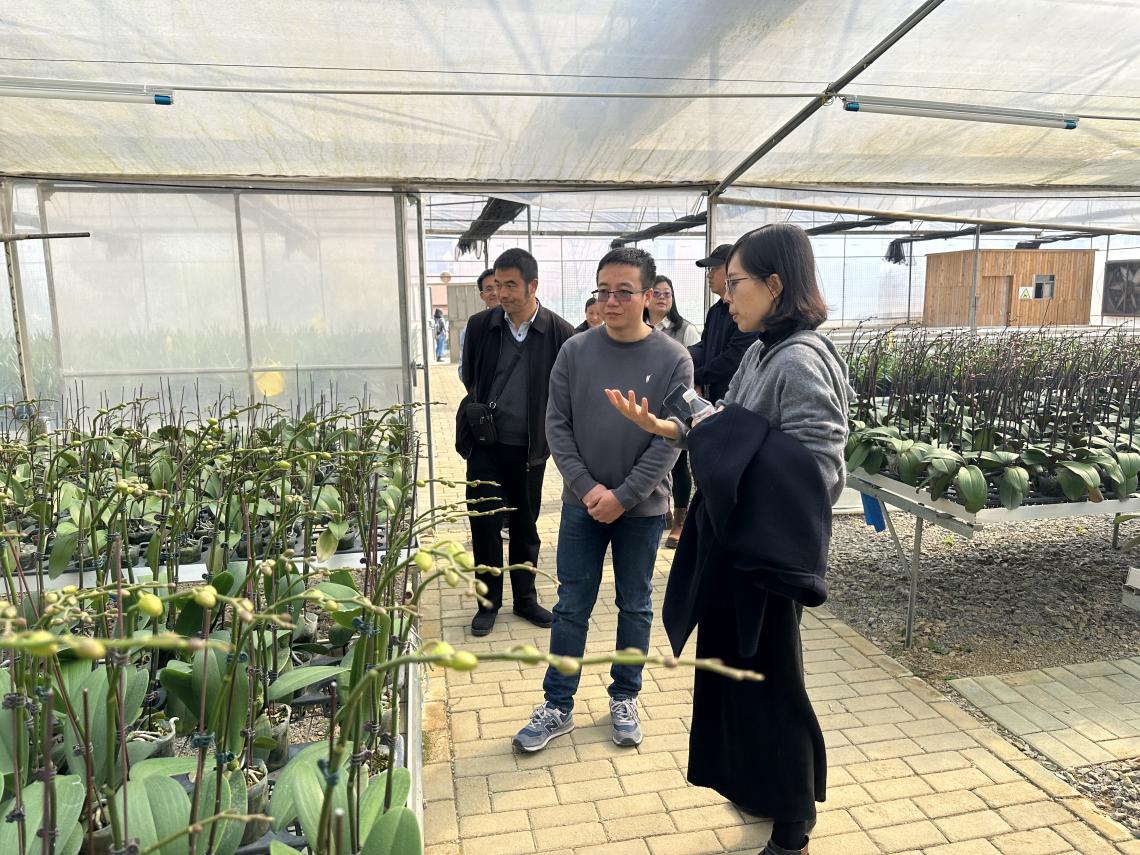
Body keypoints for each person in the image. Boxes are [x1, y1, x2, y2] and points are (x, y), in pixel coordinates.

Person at [604, 224, 853, 855]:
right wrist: (673, 427)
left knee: (773, 686)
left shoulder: (798, 359)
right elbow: (730, 429)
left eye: (735, 282)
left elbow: (820, 469)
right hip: (739, 546)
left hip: (766, 556)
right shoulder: (763, 351)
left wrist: (729, 448)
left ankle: (793, 824)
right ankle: (763, 790)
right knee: (740, 678)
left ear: (775, 284)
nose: (725, 294)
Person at [512, 247, 693, 754]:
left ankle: (625, 696)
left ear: (649, 296)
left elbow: (672, 437)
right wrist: (589, 489)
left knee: (635, 604)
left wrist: (625, 495)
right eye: (603, 290)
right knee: (572, 604)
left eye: (624, 292)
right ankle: (557, 704)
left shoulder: (673, 358)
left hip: (643, 509)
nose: (611, 301)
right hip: (582, 505)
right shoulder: (575, 351)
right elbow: (557, 425)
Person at [456, 248, 575, 636]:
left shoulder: (559, 333)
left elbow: (567, 390)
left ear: (532, 286)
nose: (502, 293)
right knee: (484, 525)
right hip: (485, 446)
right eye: (497, 285)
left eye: (510, 285)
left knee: (525, 527)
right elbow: (470, 376)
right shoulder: (481, 326)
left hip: (529, 450)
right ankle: (487, 603)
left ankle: (525, 599)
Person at [644, 275, 699, 547]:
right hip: (645, 405)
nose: (663, 298)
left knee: (677, 463)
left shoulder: (685, 330)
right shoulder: (638, 326)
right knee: (649, 456)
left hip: (676, 407)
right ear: (647, 297)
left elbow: (695, 371)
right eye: (657, 293)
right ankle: (660, 508)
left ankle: (680, 521)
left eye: (668, 293)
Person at [689, 243, 759, 403]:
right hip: (714, 397)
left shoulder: (746, 313)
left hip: (736, 399)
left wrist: (696, 376)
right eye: (709, 270)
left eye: (714, 268)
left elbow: (734, 357)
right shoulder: (715, 311)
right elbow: (705, 345)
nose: (709, 275)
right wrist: (682, 354)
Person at [458, 269, 501, 379]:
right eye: (489, 289)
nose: (495, 293)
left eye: (498, 286)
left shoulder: (520, 323)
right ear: (482, 295)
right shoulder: (473, 328)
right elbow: (464, 370)